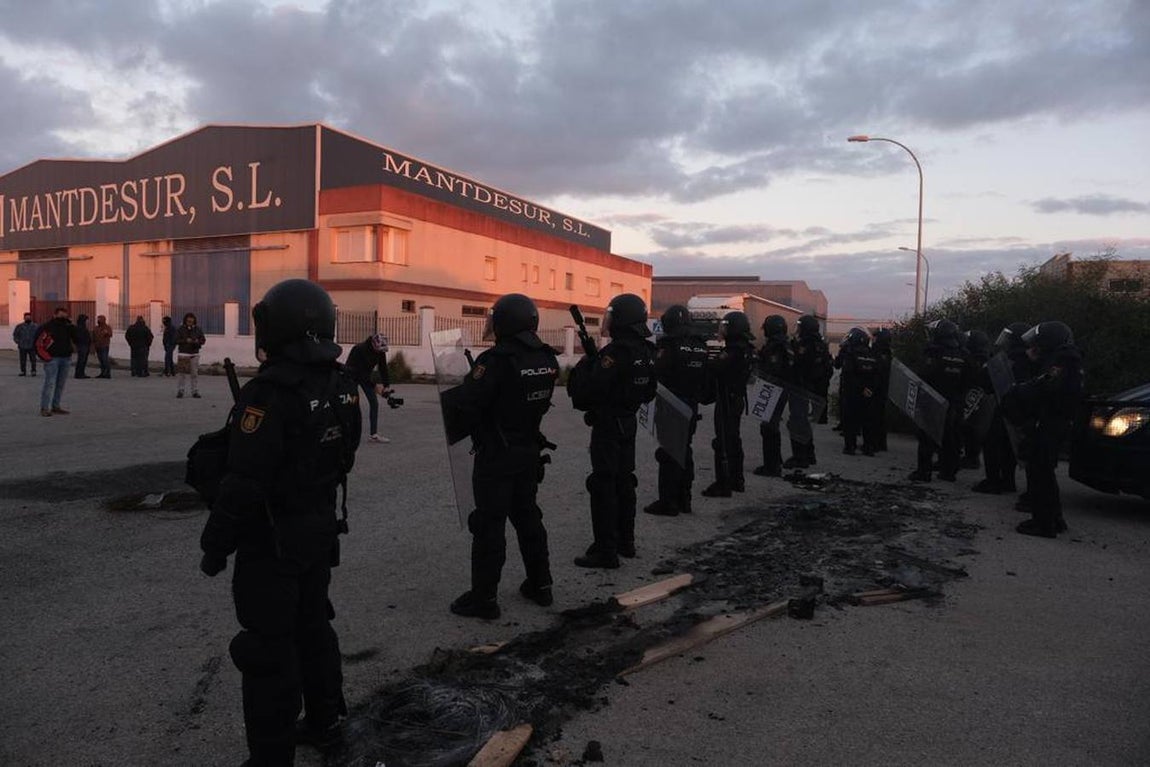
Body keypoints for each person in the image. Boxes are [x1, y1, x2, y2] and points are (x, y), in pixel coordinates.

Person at [199, 279, 362, 765]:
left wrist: (215, 546)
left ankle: (271, 755)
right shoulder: (343, 383)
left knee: (267, 646)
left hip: (272, 540)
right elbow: (343, 455)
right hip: (318, 527)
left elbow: (244, 482)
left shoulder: (269, 393)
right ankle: (326, 721)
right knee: (314, 627)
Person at [445, 294, 560, 619]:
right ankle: (541, 584)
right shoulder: (547, 358)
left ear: (506, 321)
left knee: (489, 524)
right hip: (528, 449)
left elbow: (468, 405)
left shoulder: (494, 360)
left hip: (496, 454)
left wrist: (467, 386)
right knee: (528, 518)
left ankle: (484, 598)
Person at [568, 293, 657, 567]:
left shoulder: (616, 353)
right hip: (628, 422)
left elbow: (583, 393)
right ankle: (625, 541)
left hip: (608, 425)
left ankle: (605, 550)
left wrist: (588, 363)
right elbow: (649, 391)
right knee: (624, 481)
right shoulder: (646, 351)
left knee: (603, 484)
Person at [1001, 321, 1083, 538]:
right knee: (1045, 472)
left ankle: (1043, 524)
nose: (1035, 347)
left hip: (1049, 424)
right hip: (1056, 423)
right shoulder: (1068, 360)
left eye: (1039, 343)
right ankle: (1054, 519)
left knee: (1039, 473)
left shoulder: (1061, 362)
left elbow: (1044, 387)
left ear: (1049, 341)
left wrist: (1019, 391)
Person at [644, 304, 709, 515]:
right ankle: (685, 498)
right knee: (685, 450)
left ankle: (668, 501)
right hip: (691, 404)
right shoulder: (700, 345)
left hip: (671, 404)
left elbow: (658, 372)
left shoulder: (669, 344)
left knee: (669, 452)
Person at [973, 322, 1034, 494]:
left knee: (992, 443)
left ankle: (993, 481)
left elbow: (987, 384)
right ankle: (1008, 481)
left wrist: (987, 367)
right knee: (1010, 446)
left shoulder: (1008, 359)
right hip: (1023, 411)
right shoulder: (1031, 359)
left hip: (1006, 407)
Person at [701, 311, 754, 497]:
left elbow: (715, 368)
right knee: (733, 439)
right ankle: (736, 479)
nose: (721, 329)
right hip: (736, 398)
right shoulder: (745, 348)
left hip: (727, 399)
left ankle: (723, 483)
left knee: (722, 441)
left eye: (724, 325)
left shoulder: (733, 351)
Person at [909, 319, 968, 482]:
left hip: (933, 399)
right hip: (954, 401)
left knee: (927, 437)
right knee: (950, 437)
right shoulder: (963, 353)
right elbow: (968, 379)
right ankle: (949, 472)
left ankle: (923, 472)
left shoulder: (933, 351)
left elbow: (923, 374)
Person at [786, 314, 832, 468]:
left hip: (800, 387)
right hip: (811, 387)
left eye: (799, 326)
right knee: (803, 422)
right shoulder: (820, 344)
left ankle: (800, 457)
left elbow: (797, 364)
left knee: (797, 422)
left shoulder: (805, 344)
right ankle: (809, 454)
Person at [752, 314, 792, 477]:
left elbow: (772, 369)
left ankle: (771, 466)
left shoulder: (775, 346)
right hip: (783, 389)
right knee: (772, 426)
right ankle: (776, 460)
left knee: (768, 428)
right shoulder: (786, 344)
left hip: (772, 389)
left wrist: (758, 361)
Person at [835, 327, 881, 455]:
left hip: (852, 392)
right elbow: (877, 374)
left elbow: (848, 374)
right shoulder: (872, 354)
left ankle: (850, 447)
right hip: (868, 393)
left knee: (850, 420)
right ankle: (868, 447)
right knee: (868, 420)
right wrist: (869, 389)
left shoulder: (851, 354)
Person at [344, 333, 394, 443]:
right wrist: (375, 386)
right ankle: (345, 433)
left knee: (374, 403)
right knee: (351, 403)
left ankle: (374, 435)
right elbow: (359, 373)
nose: (380, 352)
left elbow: (383, 368)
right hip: (352, 376)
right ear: (373, 345)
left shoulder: (380, 350)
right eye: (379, 350)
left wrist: (386, 386)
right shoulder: (359, 349)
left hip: (365, 376)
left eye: (382, 350)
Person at [37, 307, 78, 416]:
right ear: (54, 315)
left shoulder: (67, 327)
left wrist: (72, 326)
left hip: (66, 358)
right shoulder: (47, 327)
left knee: (60, 384)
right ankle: (44, 408)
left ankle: (56, 406)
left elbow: (78, 338)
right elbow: (38, 344)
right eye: (60, 316)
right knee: (49, 383)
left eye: (64, 316)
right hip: (52, 359)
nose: (62, 318)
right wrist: (46, 358)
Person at [960, 330, 992, 469]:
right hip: (981, 398)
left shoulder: (974, 359)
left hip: (975, 396)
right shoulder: (988, 358)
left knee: (971, 427)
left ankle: (971, 458)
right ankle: (971, 456)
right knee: (974, 427)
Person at [871, 328, 893, 451]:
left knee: (874, 417)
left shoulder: (877, 352)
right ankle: (880, 443)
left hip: (876, 388)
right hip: (883, 388)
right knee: (880, 416)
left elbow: (875, 371)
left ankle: (875, 443)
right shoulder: (887, 353)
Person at [175, 312, 206, 398]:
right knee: (182, 374)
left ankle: (195, 391)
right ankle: (180, 391)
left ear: (194, 321)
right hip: (183, 354)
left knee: (194, 373)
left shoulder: (198, 329)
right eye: (188, 321)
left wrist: (197, 341)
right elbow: (176, 340)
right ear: (185, 321)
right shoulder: (180, 329)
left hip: (194, 353)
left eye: (191, 321)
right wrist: (185, 340)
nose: (190, 323)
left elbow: (203, 340)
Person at [12, 312, 39, 376]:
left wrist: (37, 343)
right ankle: (23, 371)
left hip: (32, 346)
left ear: (31, 318)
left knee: (33, 359)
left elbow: (39, 335)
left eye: (29, 317)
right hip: (22, 346)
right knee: (22, 360)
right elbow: (15, 334)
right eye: (26, 317)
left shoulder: (35, 326)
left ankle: (33, 371)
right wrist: (17, 341)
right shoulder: (19, 326)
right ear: (24, 318)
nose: (27, 318)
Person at [73, 314, 92, 379]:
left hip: (85, 345)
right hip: (82, 345)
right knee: (81, 360)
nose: (88, 322)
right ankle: (79, 373)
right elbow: (77, 337)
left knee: (83, 360)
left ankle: (81, 373)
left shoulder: (83, 327)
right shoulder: (80, 328)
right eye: (87, 320)